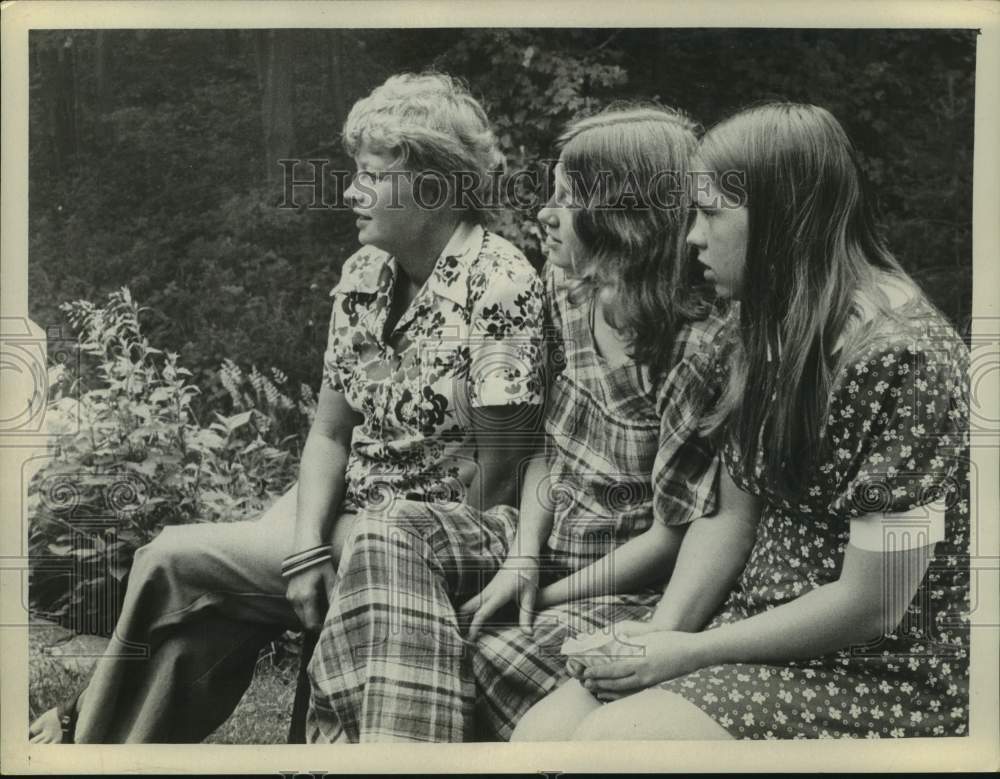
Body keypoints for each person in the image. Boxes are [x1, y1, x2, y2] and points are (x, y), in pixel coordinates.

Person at [29, 71, 545, 744]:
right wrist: (305, 545)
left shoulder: (501, 286)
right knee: (193, 608)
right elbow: (330, 432)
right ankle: (105, 746)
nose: (350, 191)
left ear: (432, 185)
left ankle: (79, 734)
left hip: (418, 541)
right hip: (339, 514)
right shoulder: (365, 276)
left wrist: (356, 551)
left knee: (172, 557)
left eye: (369, 176)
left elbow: (497, 479)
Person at [512, 102, 970, 741]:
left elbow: (876, 602)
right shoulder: (772, 325)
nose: (691, 236)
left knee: (615, 742)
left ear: (780, 220)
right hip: (752, 623)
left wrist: (693, 652)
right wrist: (664, 629)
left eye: (709, 214)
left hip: (874, 669)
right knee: (541, 737)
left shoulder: (907, 358)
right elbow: (731, 514)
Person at [455, 105, 730, 743]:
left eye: (567, 199)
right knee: (394, 540)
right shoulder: (566, 290)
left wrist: (546, 597)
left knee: (473, 646)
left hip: (620, 585)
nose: (544, 215)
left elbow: (669, 540)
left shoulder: (698, 350)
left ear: (627, 219)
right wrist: (522, 560)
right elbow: (548, 449)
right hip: (538, 544)